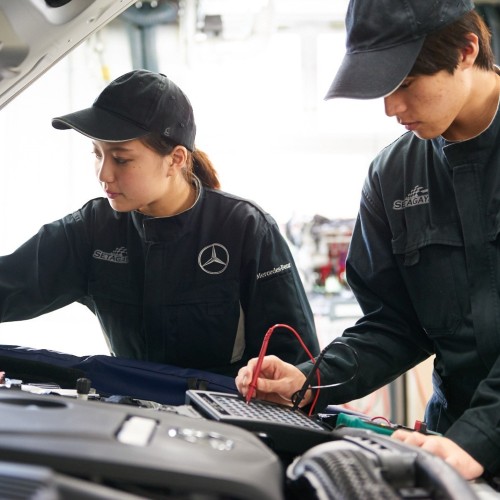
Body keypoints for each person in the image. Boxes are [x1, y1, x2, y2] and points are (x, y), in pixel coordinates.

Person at [236, 0, 500, 483]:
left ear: (466, 51)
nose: (390, 108)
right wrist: (310, 380)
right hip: (449, 449)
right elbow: (394, 324)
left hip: (468, 442)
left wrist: (479, 437)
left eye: (404, 85)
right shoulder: (393, 177)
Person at [0, 69, 319, 378]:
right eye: (97, 154)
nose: (103, 174)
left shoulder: (247, 229)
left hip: (225, 420)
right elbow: (9, 286)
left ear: (176, 159)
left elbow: (297, 365)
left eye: (121, 159)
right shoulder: (93, 230)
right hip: (132, 416)